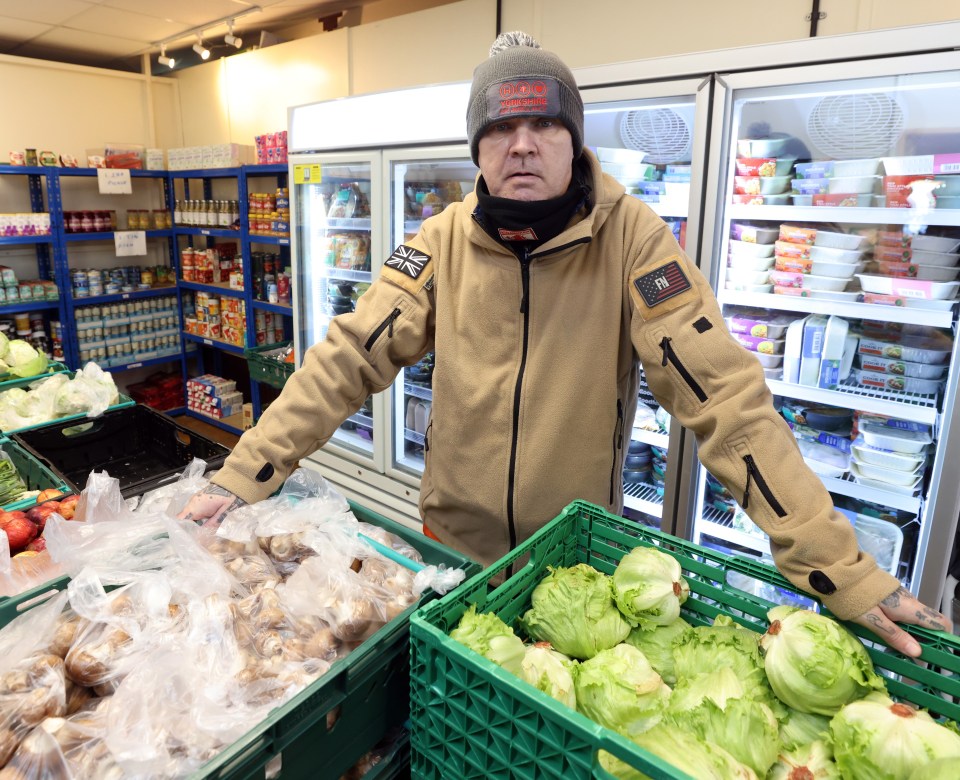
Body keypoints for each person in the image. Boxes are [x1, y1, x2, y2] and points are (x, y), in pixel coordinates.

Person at [180, 31, 950, 655]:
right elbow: (346, 358)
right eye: (500, 128)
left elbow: (727, 398)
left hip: (575, 559)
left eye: (542, 124)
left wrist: (835, 568)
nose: (522, 145)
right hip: (453, 551)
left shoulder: (635, 240)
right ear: (477, 150)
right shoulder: (440, 241)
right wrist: (241, 476)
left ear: (572, 139)